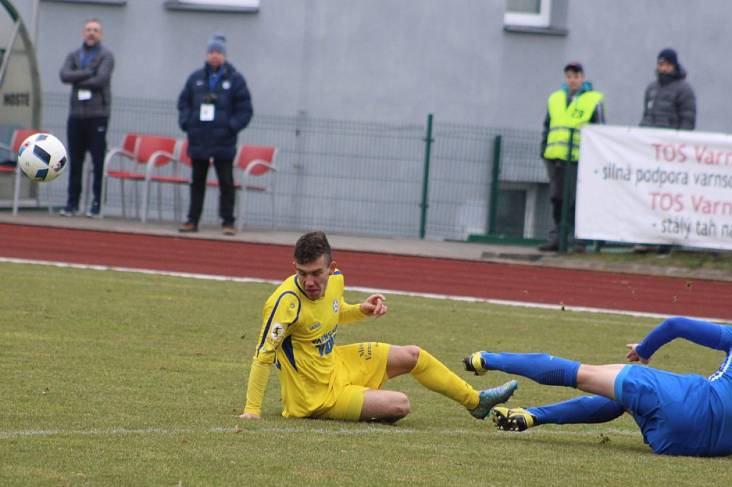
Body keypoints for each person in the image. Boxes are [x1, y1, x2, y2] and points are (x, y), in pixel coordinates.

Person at [239, 231, 518, 423]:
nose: (309, 281)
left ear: (331, 268)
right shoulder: (285, 301)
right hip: (314, 397)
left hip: (337, 364)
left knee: (413, 355)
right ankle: (359, 402)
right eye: (301, 273)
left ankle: (475, 401)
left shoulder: (336, 281)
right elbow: (263, 355)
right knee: (401, 404)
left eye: (316, 273)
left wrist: (361, 309)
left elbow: (332, 314)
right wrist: (252, 410)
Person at [464, 317, 732, 459]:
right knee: (625, 399)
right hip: (678, 445)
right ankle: (533, 417)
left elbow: (676, 325)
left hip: (686, 404)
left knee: (582, 373)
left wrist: (644, 350)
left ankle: (487, 358)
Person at [177, 33, 253, 236]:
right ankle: (192, 220)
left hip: (223, 141)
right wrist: (187, 123)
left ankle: (228, 222)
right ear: (206, 54)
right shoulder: (195, 78)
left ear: (224, 55)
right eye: (211, 52)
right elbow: (183, 103)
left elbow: (245, 109)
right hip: (199, 139)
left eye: (218, 52)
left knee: (226, 182)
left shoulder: (236, 80)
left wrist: (231, 126)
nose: (214, 56)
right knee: (197, 181)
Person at [538, 62, 605, 253]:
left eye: (576, 76)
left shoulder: (593, 100)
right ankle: (557, 238)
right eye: (569, 76)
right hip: (554, 156)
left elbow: (599, 130)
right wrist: (544, 150)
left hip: (578, 158)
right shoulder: (555, 98)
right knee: (556, 198)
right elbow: (547, 125)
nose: (572, 80)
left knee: (576, 200)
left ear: (582, 78)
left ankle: (579, 241)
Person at [635, 48, 697, 254]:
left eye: (667, 64)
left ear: (674, 65)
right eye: (660, 64)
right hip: (649, 152)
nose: (663, 68)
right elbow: (646, 116)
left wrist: (678, 147)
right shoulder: (651, 88)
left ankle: (666, 241)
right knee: (647, 195)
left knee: (668, 198)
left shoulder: (684, 90)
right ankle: (646, 238)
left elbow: (687, 121)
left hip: (670, 154)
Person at [58, 18, 114, 218]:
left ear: (101, 34)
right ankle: (72, 203)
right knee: (75, 160)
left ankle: (96, 204)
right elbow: (64, 75)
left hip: (97, 115)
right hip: (76, 115)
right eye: (89, 29)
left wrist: (78, 78)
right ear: (83, 33)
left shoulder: (106, 56)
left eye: (96, 30)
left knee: (98, 161)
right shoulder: (74, 55)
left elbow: (101, 79)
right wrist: (86, 72)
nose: (92, 33)